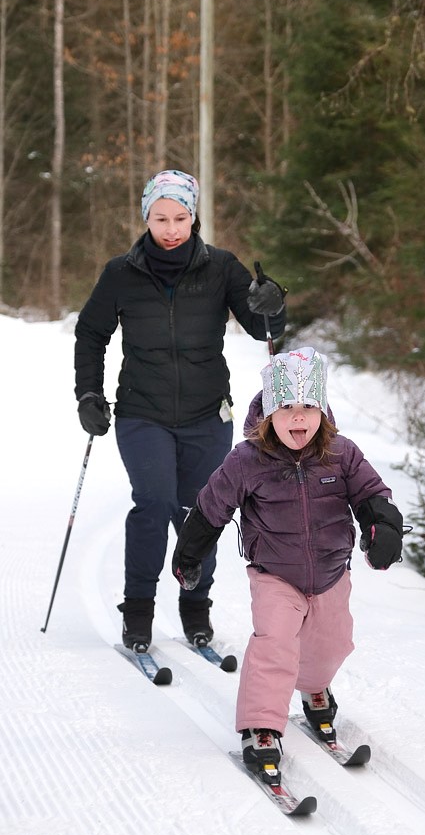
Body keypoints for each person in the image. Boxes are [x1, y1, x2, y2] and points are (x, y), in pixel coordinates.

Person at [74, 169, 286, 651]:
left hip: (207, 414)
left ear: (194, 217)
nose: (171, 228)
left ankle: (195, 608)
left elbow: (262, 328)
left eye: (180, 217)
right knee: (153, 503)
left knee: (200, 512)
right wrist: (88, 394)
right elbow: (91, 334)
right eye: (160, 217)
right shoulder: (120, 273)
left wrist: (272, 305)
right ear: (146, 217)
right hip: (141, 411)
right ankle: (140, 611)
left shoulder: (221, 267)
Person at [171, 346, 404, 784]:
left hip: (332, 571)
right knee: (274, 644)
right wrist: (190, 553)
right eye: (287, 408)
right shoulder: (246, 460)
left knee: (330, 645)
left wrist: (382, 528)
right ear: (268, 414)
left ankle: (315, 687)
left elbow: (374, 494)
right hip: (274, 573)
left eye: (309, 407)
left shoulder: (342, 453)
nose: (299, 418)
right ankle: (261, 726)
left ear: (323, 410)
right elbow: (211, 507)